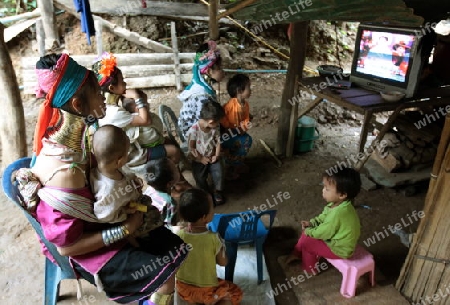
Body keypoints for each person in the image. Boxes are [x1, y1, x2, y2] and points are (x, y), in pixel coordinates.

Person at [28, 53, 187, 305]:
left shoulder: (83, 140)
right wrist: (125, 229)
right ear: (79, 106)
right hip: (90, 250)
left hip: (104, 222)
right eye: (96, 91)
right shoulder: (65, 171)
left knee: (172, 245)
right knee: (165, 272)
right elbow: (66, 248)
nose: (103, 95)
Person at [92, 52, 180, 172]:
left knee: (168, 141)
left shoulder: (110, 100)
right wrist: (137, 96)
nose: (125, 83)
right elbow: (146, 120)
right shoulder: (113, 113)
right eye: (122, 81)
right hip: (132, 154)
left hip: (133, 144)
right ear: (112, 88)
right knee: (173, 151)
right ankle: (171, 179)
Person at [90, 125, 163, 245]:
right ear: (118, 161)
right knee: (155, 219)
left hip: (132, 200)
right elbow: (103, 216)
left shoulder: (109, 168)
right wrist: (125, 212)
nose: (128, 155)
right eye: (127, 153)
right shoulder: (108, 190)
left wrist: (133, 182)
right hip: (128, 217)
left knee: (150, 204)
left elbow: (126, 176)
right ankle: (140, 241)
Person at [286, 167, 361, 275]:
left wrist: (309, 231)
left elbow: (324, 232)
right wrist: (311, 223)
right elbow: (323, 217)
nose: (323, 191)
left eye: (327, 189)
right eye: (324, 187)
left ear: (342, 195)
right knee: (307, 233)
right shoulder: (338, 204)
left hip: (340, 249)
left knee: (308, 243)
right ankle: (296, 253)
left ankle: (310, 269)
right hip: (336, 240)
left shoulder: (339, 213)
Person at [175, 188, 243, 305]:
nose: (214, 210)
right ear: (204, 217)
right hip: (207, 291)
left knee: (195, 295)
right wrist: (223, 250)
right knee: (234, 293)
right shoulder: (213, 238)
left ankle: (195, 301)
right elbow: (223, 263)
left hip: (183, 289)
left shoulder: (178, 235)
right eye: (212, 208)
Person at [178, 40, 224, 137]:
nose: (223, 71)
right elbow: (206, 122)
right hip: (194, 135)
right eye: (220, 68)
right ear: (209, 71)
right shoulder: (201, 95)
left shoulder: (201, 85)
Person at [187, 100, 225, 205]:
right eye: (218, 122)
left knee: (219, 171)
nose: (219, 124)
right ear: (211, 121)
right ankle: (206, 194)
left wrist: (216, 155)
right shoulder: (194, 130)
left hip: (212, 154)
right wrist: (200, 158)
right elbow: (192, 147)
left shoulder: (215, 127)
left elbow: (218, 142)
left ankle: (217, 191)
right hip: (198, 158)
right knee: (199, 176)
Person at [121, 98, 181, 164]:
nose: (148, 104)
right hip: (145, 150)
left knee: (170, 141)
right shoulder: (145, 120)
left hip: (149, 145)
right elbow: (157, 131)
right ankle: (170, 169)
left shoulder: (130, 119)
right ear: (138, 109)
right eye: (145, 103)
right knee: (174, 150)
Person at [221, 74, 253, 179]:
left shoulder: (244, 104)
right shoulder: (233, 106)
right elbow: (231, 125)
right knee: (245, 141)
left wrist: (244, 126)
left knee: (247, 140)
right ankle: (231, 166)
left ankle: (235, 163)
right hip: (227, 134)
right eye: (248, 87)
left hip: (236, 131)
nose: (250, 89)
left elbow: (245, 119)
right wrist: (241, 128)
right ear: (239, 91)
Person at [143, 158, 185, 227]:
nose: (176, 167)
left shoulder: (149, 189)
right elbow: (170, 223)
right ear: (169, 183)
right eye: (175, 169)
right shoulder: (169, 202)